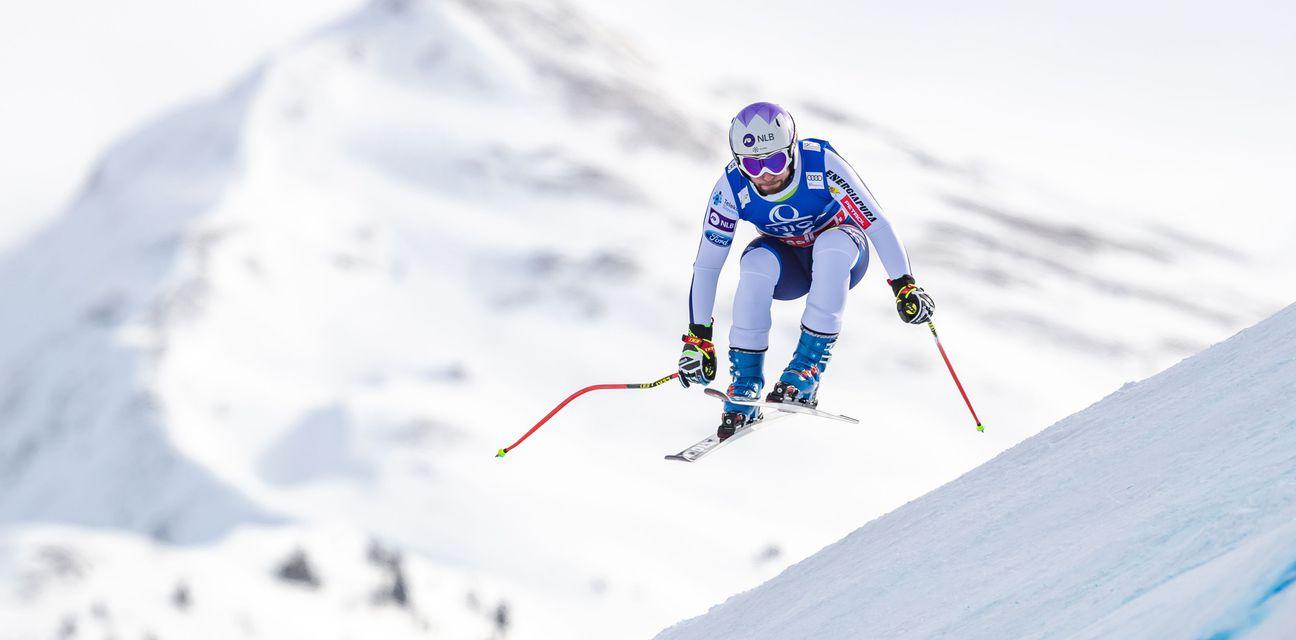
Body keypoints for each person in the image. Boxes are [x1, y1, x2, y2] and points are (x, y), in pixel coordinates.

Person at [677, 101, 935, 439]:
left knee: (832, 246)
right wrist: (699, 337)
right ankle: (745, 384)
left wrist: (904, 285)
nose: (765, 173)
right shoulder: (730, 189)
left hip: (842, 255)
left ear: (792, 150)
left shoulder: (820, 163)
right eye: (753, 165)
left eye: (775, 160)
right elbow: (709, 264)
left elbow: (877, 223)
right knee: (754, 263)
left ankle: (807, 370)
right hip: (790, 269)